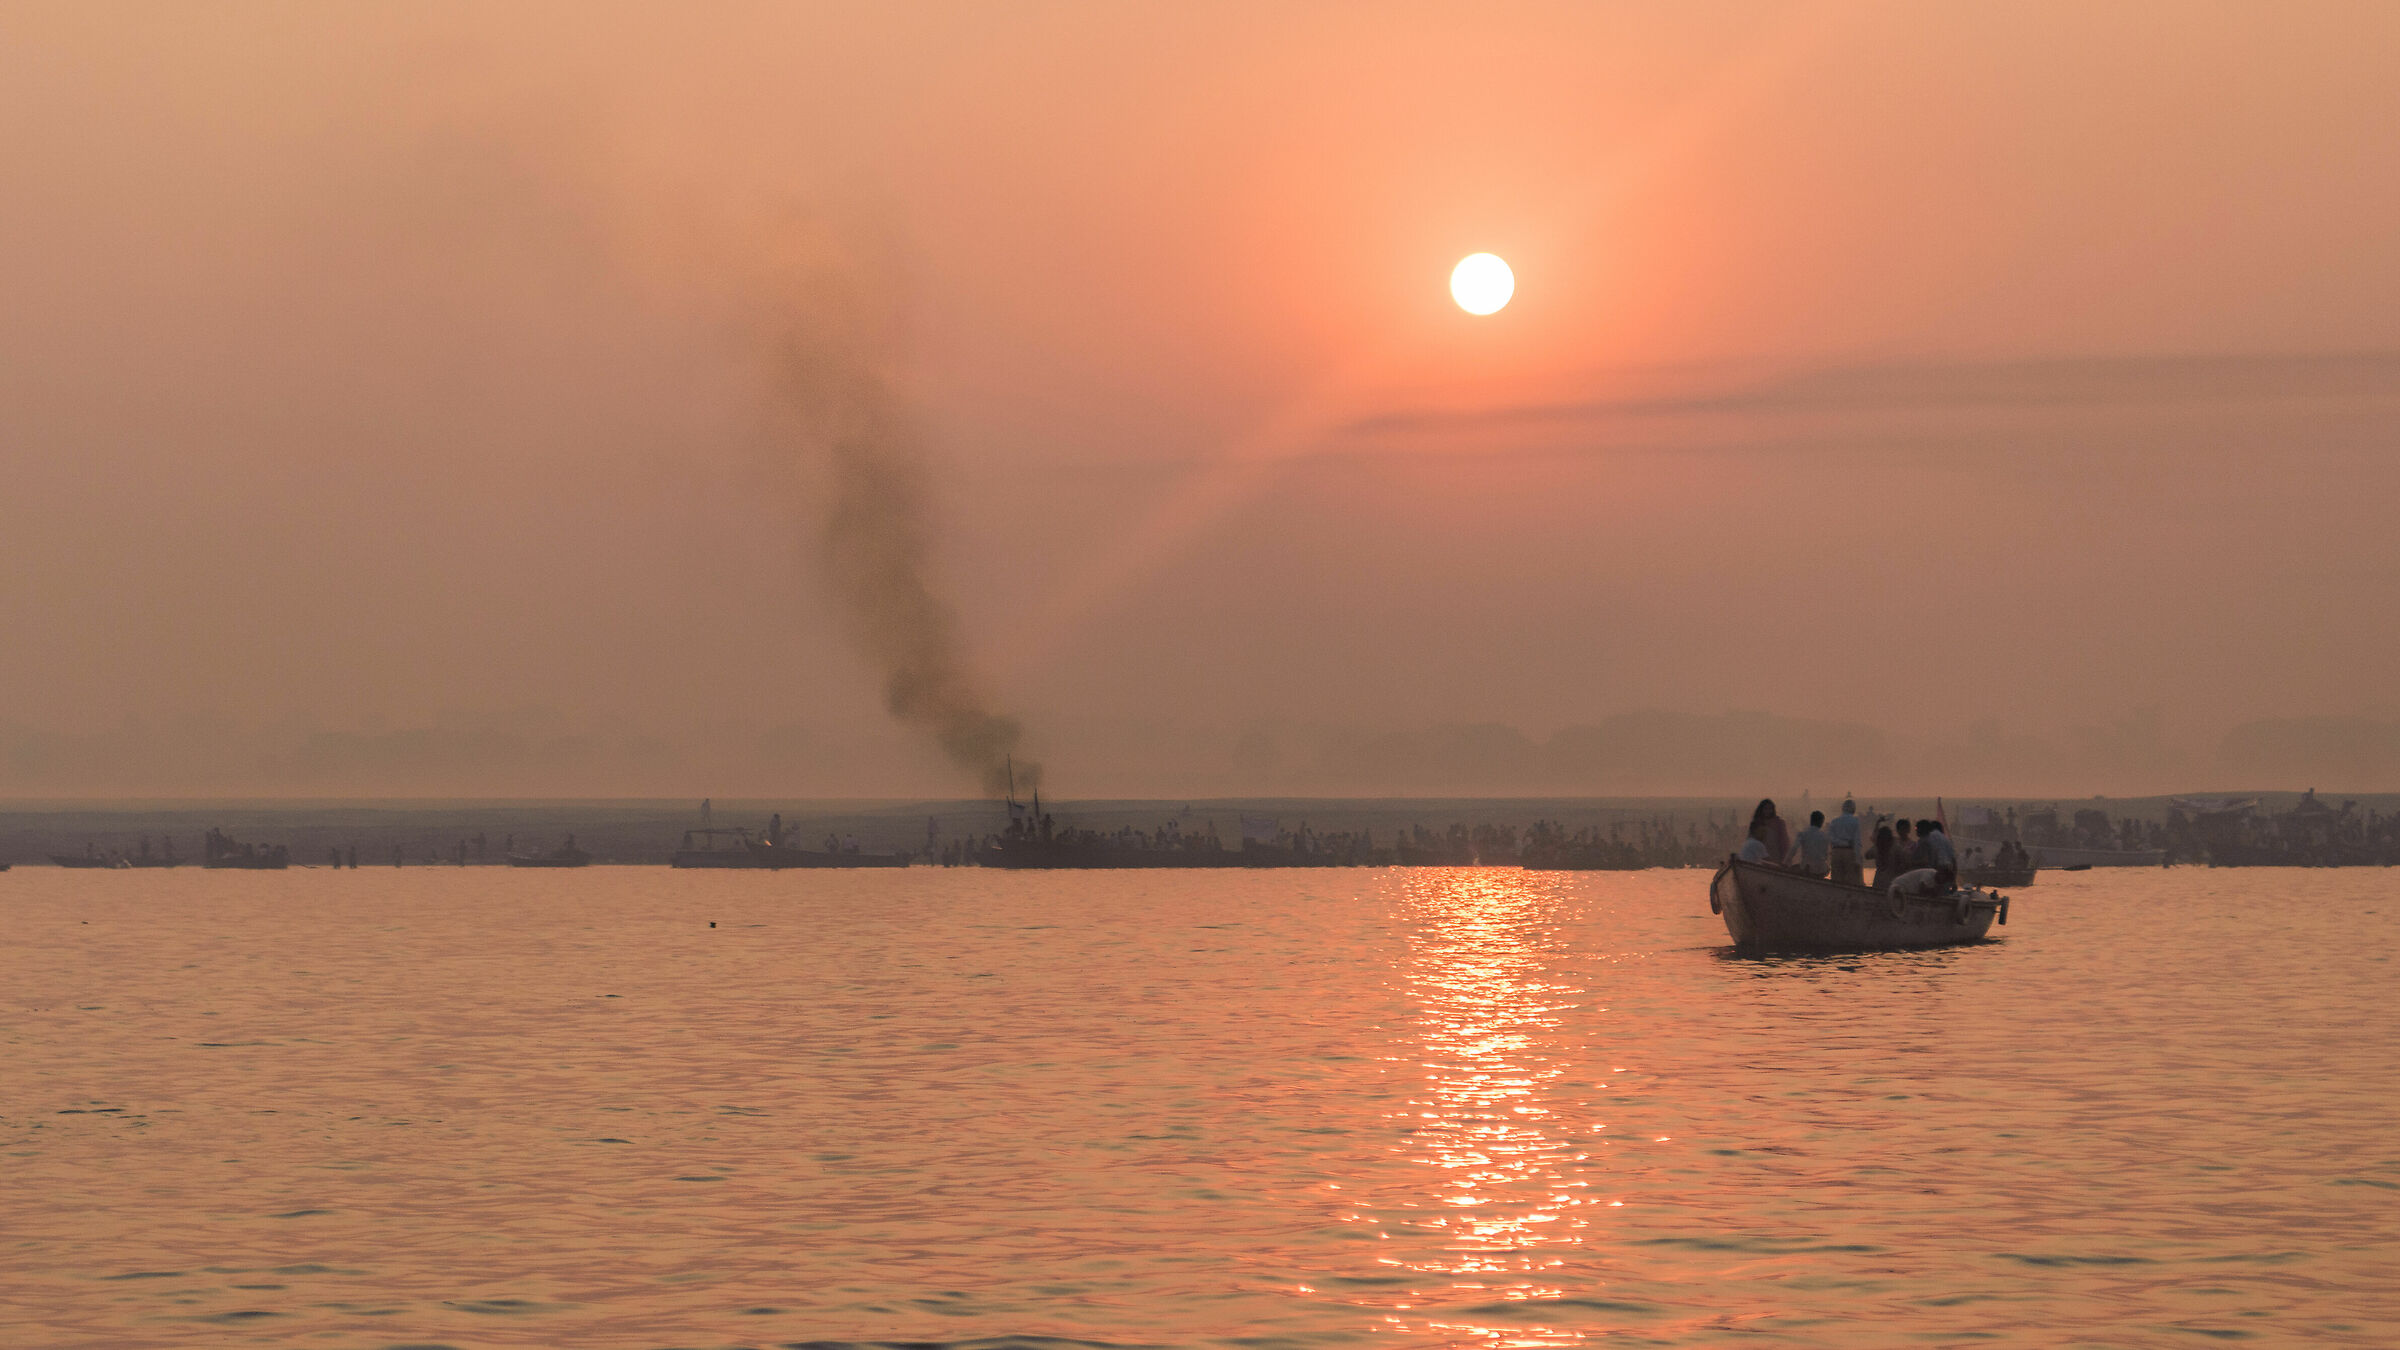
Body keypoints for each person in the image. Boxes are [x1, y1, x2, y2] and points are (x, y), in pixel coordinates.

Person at [1827, 798, 1865, 885]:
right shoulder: (1855, 821)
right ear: (1853, 809)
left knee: (1836, 881)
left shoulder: (1834, 821)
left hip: (1836, 852)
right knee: (1851, 881)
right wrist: (1858, 859)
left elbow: (1830, 838)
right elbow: (1856, 841)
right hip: (1849, 852)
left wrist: (1838, 843)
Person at [1749, 799, 1794, 867]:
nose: (1768, 811)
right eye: (1766, 809)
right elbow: (1750, 842)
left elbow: (1785, 844)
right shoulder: (1756, 824)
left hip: (1775, 860)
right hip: (1759, 861)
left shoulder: (1779, 823)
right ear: (1761, 810)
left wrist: (1785, 861)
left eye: (1770, 809)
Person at [1922, 817, 1958, 890]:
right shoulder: (1947, 840)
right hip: (1947, 870)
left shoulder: (1929, 836)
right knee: (1944, 892)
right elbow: (1954, 860)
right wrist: (1954, 880)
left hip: (1935, 870)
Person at [1796, 810, 1832, 878]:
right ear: (1821, 822)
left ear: (1811, 821)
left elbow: (1794, 849)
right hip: (1821, 870)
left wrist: (1785, 863)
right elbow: (1826, 855)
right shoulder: (1825, 836)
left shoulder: (1803, 833)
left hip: (1806, 868)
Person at [1869, 823, 1900, 888]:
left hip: (1878, 879)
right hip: (1892, 879)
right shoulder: (1896, 847)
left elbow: (1867, 855)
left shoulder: (1876, 848)